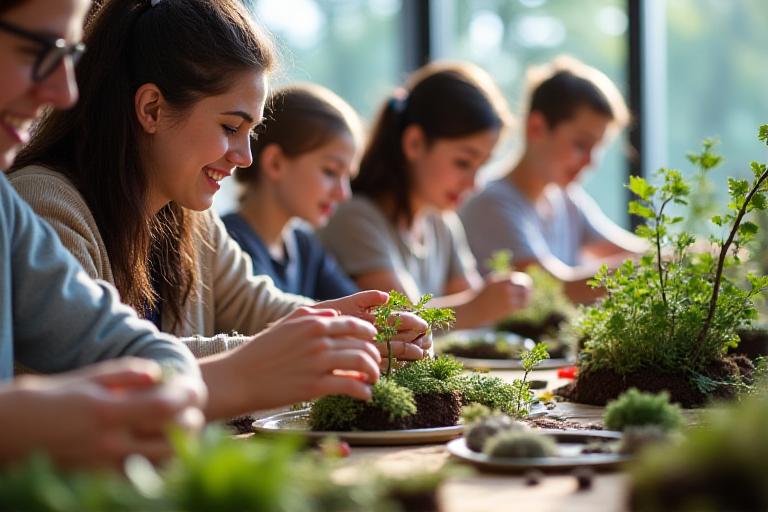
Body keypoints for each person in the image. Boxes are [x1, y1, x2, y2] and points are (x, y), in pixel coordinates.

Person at [10, 0, 425, 419]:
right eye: (230, 128)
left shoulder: (189, 216)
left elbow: (257, 307)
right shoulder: (43, 203)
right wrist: (276, 360)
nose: (245, 156)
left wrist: (347, 327)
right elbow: (102, 375)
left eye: (251, 131)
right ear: (151, 108)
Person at [0, 0, 206, 469]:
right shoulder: (38, 197)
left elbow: (137, 347)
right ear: (148, 108)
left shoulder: (5, 210)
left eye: (71, 58)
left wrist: (176, 384)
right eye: (44, 50)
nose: (64, 91)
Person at [319, 62, 532, 330]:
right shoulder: (355, 217)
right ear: (414, 143)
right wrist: (481, 306)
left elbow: (473, 318)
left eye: (482, 166)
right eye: (464, 163)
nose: (474, 183)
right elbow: (402, 324)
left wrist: (496, 303)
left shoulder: (442, 225)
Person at [459, 56, 647, 303]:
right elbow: (554, 289)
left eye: (598, 148)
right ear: (537, 127)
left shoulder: (567, 199)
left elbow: (626, 249)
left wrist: (690, 257)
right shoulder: (492, 203)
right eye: (581, 145)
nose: (591, 161)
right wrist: (663, 267)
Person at [222, 84, 360, 300]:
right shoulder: (228, 245)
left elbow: (359, 307)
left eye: (347, 177)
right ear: (275, 163)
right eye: (330, 171)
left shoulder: (306, 248)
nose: (343, 194)